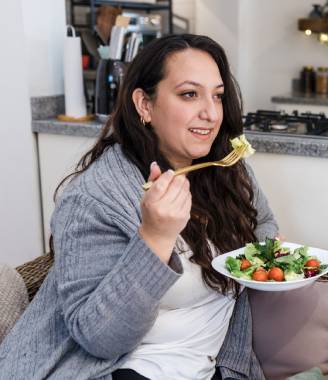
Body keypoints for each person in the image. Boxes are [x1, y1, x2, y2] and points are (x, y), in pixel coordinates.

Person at [0, 34, 278, 379]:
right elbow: (99, 339)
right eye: (189, 94)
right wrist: (154, 238)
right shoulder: (94, 198)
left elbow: (263, 226)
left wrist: (253, 263)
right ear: (144, 105)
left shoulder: (228, 172)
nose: (210, 113)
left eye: (217, 96)